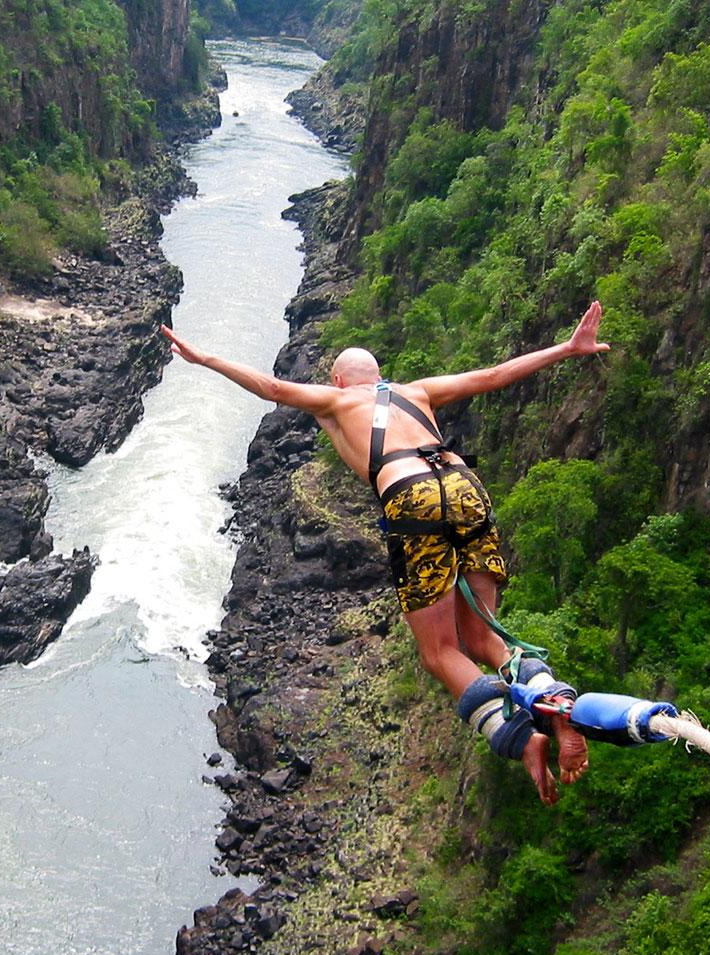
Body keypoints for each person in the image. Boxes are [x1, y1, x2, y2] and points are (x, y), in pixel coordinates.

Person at [160, 302, 611, 803]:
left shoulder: (334, 401)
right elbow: (494, 375)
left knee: (442, 652)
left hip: (410, 494)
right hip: (463, 484)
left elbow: (272, 388)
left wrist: (205, 360)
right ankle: (554, 701)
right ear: (381, 375)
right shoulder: (417, 391)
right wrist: (569, 348)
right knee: (484, 640)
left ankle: (524, 740)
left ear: (337, 378)